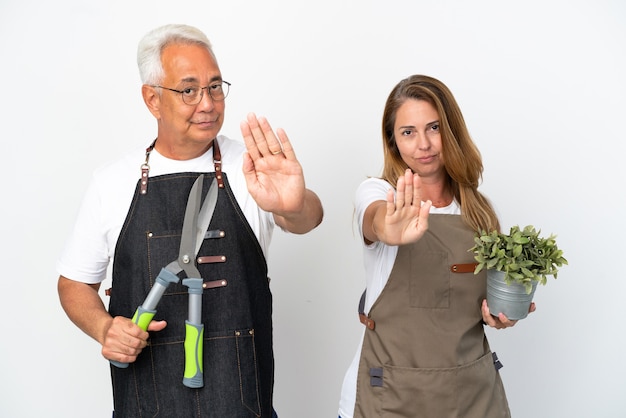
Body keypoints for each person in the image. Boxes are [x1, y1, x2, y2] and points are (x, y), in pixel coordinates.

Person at [57, 24, 323, 417]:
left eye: (215, 87)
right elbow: (74, 283)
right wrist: (104, 327)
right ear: (152, 99)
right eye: (189, 90)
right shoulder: (111, 182)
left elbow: (307, 218)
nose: (208, 103)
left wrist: (292, 202)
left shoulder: (250, 166)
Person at [338, 75, 534, 418]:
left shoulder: (481, 213)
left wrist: (497, 315)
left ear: (451, 130)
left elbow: (481, 303)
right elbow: (375, 220)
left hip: (471, 396)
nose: (423, 144)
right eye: (408, 132)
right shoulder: (378, 193)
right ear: (393, 141)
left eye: (434, 127)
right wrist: (389, 227)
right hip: (390, 397)